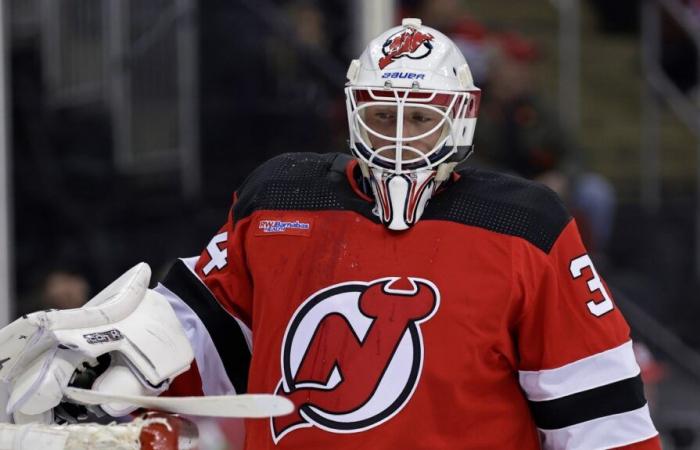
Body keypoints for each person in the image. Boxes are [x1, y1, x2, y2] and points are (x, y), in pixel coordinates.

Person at [0, 18, 661, 449]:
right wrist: (107, 384)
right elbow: (199, 328)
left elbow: (601, 416)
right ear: (350, 112)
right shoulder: (282, 196)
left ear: (462, 118)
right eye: (381, 115)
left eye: (422, 118)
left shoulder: (525, 225)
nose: (399, 138)